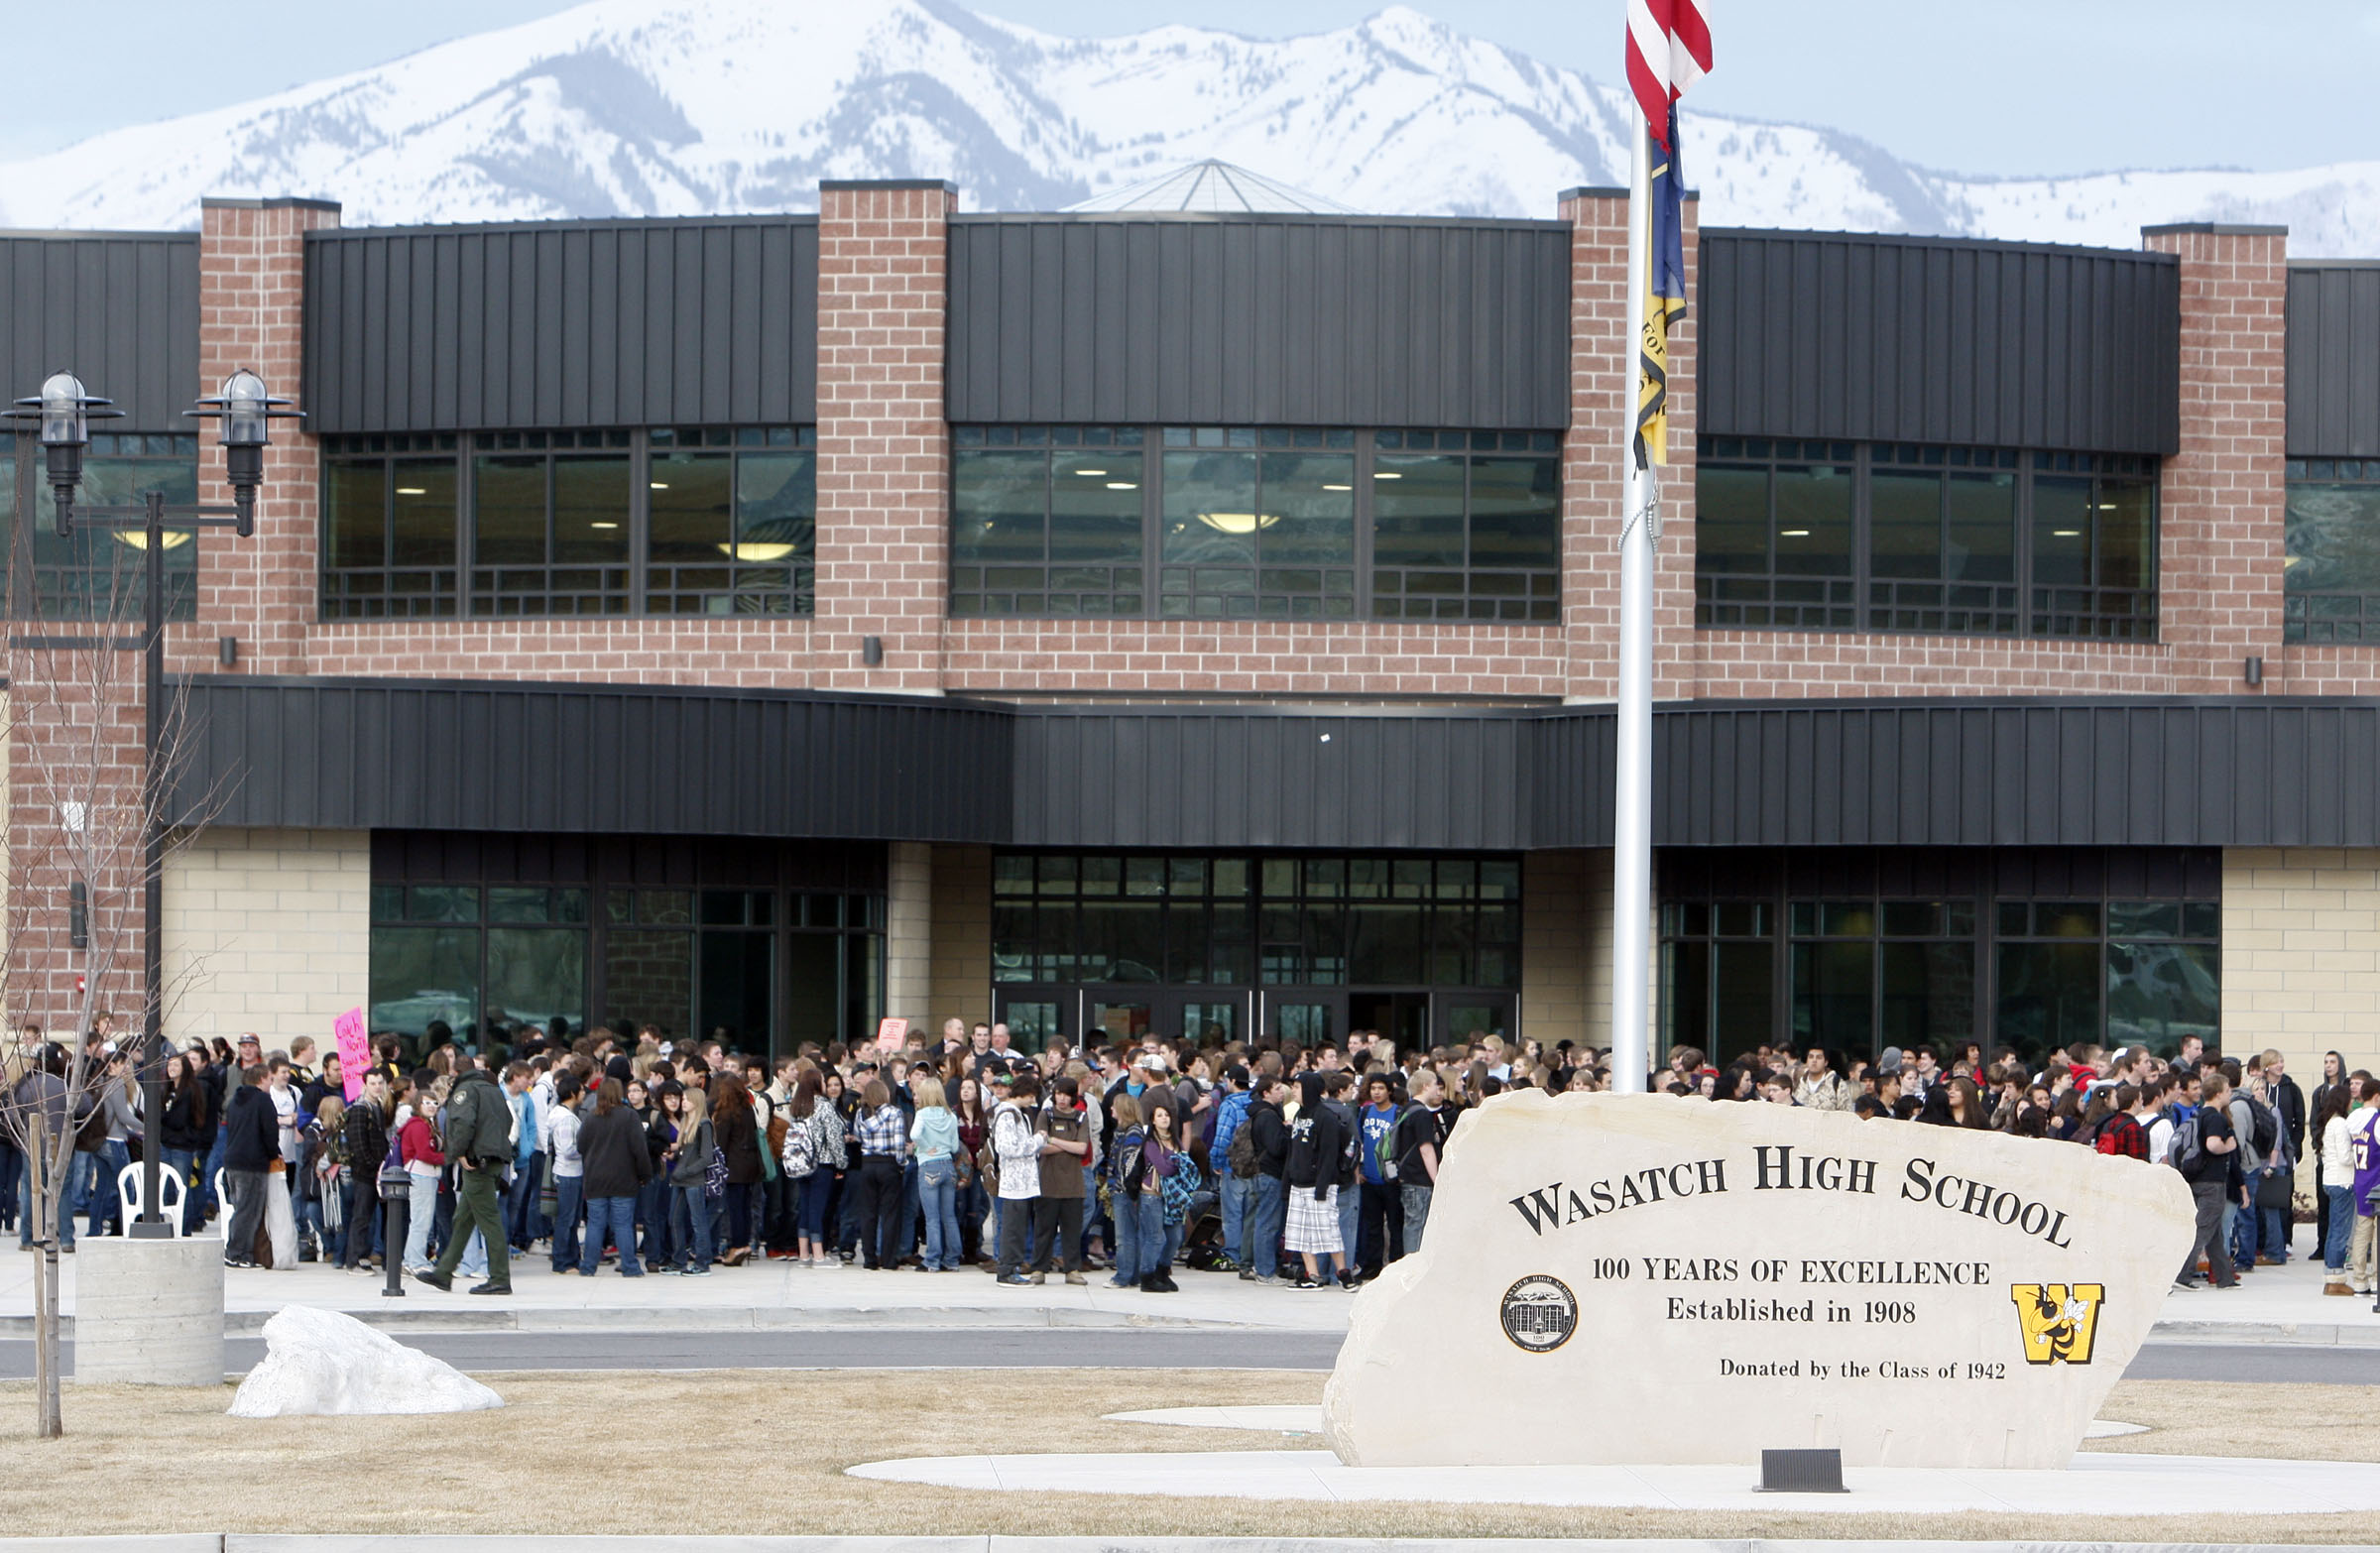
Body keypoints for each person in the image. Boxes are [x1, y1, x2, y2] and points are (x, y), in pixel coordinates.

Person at [415, 1060, 517, 1295]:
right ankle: (444, 1272)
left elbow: (463, 1124)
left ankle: (500, 1278)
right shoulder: (493, 1090)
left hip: (475, 1162)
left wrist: (458, 1153)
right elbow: (508, 1121)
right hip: (492, 1160)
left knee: (489, 1221)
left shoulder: (466, 1090)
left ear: (455, 1072)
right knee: (463, 1220)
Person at [574, 1078, 649, 1277]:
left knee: (595, 1223)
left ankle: (588, 1266)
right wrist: (644, 1175)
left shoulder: (591, 1118)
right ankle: (630, 1267)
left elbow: (580, 1146)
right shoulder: (629, 1117)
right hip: (624, 1178)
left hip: (595, 1178)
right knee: (623, 1224)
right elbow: (639, 1150)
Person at [1283, 1072, 1350, 1290]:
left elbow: (1329, 1155)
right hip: (1299, 1182)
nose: (1293, 1090)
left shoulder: (1326, 1117)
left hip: (1320, 1184)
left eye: (1297, 1086)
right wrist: (1288, 1181)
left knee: (1328, 1230)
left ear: (1309, 1089)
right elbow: (1293, 1151)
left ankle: (1343, 1272)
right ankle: (1312, 1274)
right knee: (1300, 1232)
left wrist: (1321, 1187)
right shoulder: (1300, 1115)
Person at [2176, 1072, 2240, 1291]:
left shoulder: (2198, 1115)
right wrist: (2229, 1146)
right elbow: (2213, 1145)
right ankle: (2182, 1275)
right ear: (2219, 1093)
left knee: (2213, 1232)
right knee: (2202, 1230)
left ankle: (2225, 1278)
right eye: (2228, 1091)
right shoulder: (2215, 1117)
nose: (2230, 1094)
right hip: (2212, 1181)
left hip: (2196, 1178)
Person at [1030, 1075, 1090, 1284]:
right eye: (1058, 1094)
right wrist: (1067, 1145)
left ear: (1074, 1096)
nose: (1061, 1099)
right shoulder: (1046, 1114)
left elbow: (1082, 1148)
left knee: (1072, 1229)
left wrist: (1054, 1140)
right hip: (1048, 1181)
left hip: (1073, 1183)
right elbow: (1040, 1146)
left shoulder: (1081, 1117)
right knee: (1043, 1228)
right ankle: (1039, 1268)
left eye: (1066, 1094)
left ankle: (1072, 1269)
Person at [220, 1063, 278, 1269]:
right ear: (262, 1079)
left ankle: (237, 1250)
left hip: (233, 1161)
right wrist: (274, 1153)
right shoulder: (263, 1100)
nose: (272, 1084)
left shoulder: (236, 1100)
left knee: (240, 1207)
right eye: (270, 1079)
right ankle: (237, 1253)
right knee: (249, 1210)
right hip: (253, 1162)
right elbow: (270, 1132)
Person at [991, 1070, 1043, 1284]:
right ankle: (1007, 1270)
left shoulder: (1017, 1113)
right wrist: (1037, 1141)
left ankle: (1013, 1267)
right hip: (1013, 1183)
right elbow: (1006, 1148)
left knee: (1018, 1229)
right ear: (1026, 1093)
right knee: (1012, 1229)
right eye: (1033, 1095)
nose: (1034, 1100)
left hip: (1023, 1182)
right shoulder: (1007, 1114)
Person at [850, 1078, 908, 1271]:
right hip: (888, 1164)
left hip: (867, 1164)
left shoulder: (860, 1113)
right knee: (890, 1213)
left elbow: (858, 1136)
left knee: (868, 1213)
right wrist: (902, 1164)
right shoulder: (894, 1113)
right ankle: (889, 1259)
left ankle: (869, 1258)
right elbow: (900, 1144)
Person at [909, 1075, 963, 1272]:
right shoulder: (950, 1115)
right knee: (948, 1216)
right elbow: (955, 1146)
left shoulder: (922, 1114)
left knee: (931, 1217)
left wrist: (924, 1146)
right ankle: (952, 1259)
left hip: (928, 1165)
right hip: (948, 1164)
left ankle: (932, 1259)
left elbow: (914, 1135)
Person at [342, 1070, 392, 1272]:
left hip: (375, 1170)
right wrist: (373, 1164)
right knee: (361, 1216)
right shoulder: (360, 1109)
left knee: (368, 1216)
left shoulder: (377, 1106)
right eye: (373, 1083)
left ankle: (362, 1255)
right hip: (364, 1172)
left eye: (380, 1083)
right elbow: (358, 1143)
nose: (377, 1087)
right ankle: (353, 1259)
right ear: (365, 1085)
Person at [398, 1071, 446, 1273]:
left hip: (427, 1176)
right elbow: (425, 1153)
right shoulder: (418, 1126)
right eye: (427, 1103)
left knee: (420, 1220)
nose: (432, 1106)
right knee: (421, 1221)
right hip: (421, 1175)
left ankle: (410, 1260)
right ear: (418, 1105)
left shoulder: (427, 1125)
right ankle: (416, 1262)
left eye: (435, 1103)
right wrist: (447, 1158)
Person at [1393, 1070, 1446, 1255]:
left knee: (1412, 1222)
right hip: (1420, 1179)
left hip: (1407, 1176)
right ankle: (1413, 1267)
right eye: (1434, 1085)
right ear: (1425, 1086)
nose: (1437, 1090)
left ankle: (1409, 1263)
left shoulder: (1405, 1109)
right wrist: (1437, 1179)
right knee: (1418, 1225)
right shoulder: (1422, 1114)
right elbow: (1426, 1149)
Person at [2319, 1084, 2356, 1294]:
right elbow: (2345, 1157)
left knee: (2334, 1231)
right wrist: (2358, 1154)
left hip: (2331, 1180)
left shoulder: (2330, 1122)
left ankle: (2331, 1276)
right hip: (2342, 1181)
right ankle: (2336, 1279)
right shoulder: (2341, 1123)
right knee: (2340, 1233)